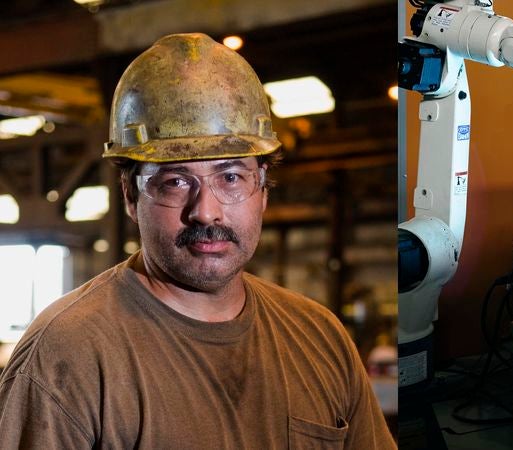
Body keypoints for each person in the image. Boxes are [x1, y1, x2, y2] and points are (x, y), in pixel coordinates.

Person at [0, 33, 395, 449]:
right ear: (131, 196)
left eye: (230, 177)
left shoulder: (320, 338)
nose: (205, 211)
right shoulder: (67, 355)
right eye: (174, 181)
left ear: (263, 191)